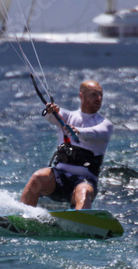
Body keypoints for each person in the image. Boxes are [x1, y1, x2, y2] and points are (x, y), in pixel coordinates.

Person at [20, 79, 113, 210]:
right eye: (93, 94)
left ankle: (82, 225)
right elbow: (52, 116)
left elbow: (95, 132)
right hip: (58, 178)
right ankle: (22, 218)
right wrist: (51, 110)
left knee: (84, 193)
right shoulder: (68, 116)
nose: (98, 98)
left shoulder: (105, 124)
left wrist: (78, 131)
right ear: (81, 95)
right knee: (37, 177)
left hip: (84, 181)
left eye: (100, 95)